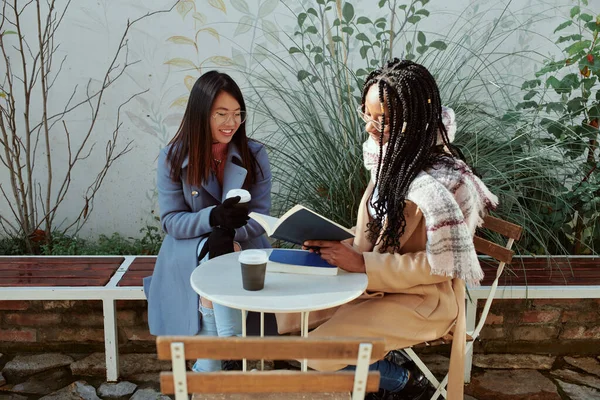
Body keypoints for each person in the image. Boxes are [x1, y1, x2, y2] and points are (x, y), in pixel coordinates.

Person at [279, 59, 497, 400]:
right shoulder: (385, 156)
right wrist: (341, 243)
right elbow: (381, 226)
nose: (370, 128)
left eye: (383, 120)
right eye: (366, 114)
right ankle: (384, 363)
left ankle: (400, 381)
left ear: (416, 121)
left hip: (423, 299)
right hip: (370, 281)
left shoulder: (452, 182)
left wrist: (363, 265)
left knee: (317, 353)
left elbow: (439, 265)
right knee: (281, 317)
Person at [143, 70, 272, 371]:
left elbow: (261, 216)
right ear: (202, 114)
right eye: (222, 114)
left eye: (238, 114)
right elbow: (172, 221)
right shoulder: (172, 158)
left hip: (243, 245)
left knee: (226, 254)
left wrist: (229, 232)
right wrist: (213, 218)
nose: (232, 123)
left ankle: (215, 359)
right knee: (215, 256)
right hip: (188, 249)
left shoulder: (254, 155)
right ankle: (230, 348)